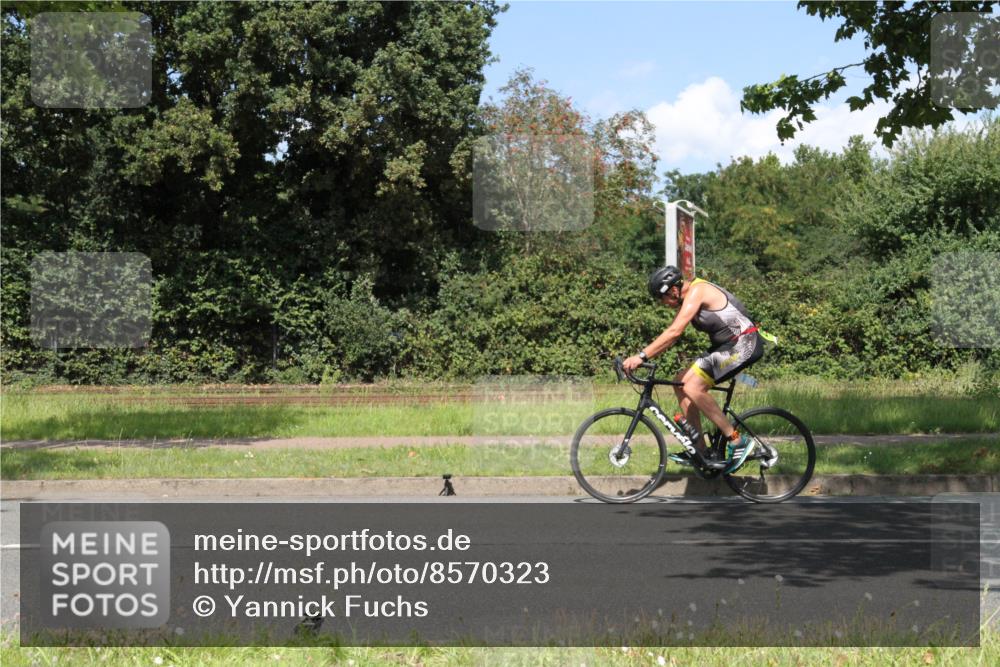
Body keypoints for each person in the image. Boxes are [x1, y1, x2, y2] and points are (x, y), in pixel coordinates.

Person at [622, 266, 764, 472]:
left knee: (693, 387)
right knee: (681, 383)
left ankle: (736, 440)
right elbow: (671, 335)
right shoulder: (688, 297)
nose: (663, 304)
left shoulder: (698, 291)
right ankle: (699, 451)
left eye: (662, 299)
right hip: (727, 346)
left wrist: (641, 356)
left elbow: (674, 332)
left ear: (673, 290)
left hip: (744, 344)